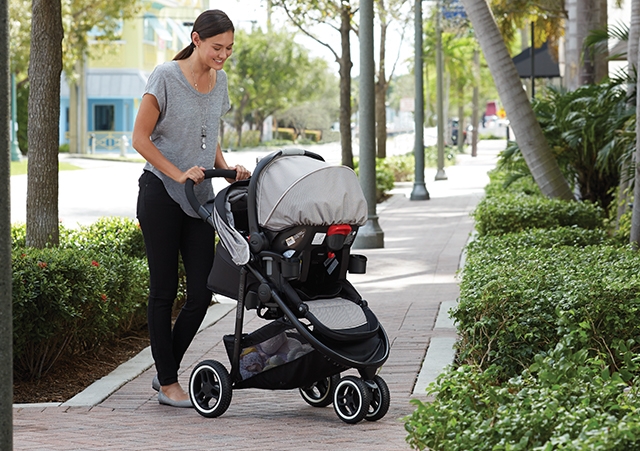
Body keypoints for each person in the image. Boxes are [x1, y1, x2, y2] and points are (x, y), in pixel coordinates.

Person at [132, 9, 250, 408]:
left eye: (230, 48)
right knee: (163, 291)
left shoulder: (221, 82)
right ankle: (168, 382)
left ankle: (165, 369)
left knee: (202, 292)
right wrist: (177, 173)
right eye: (218, 47)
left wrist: (226, 167)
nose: (224, 55)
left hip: (199, 199)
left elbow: (208, 135)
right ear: (197, 39)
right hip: (161, 195)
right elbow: (140, 138)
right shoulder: (165, 76)